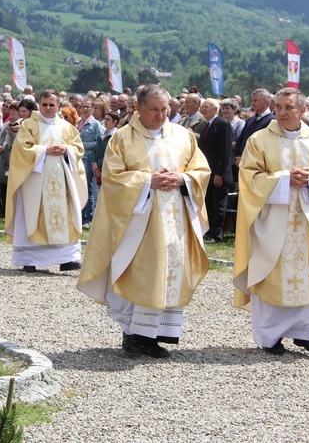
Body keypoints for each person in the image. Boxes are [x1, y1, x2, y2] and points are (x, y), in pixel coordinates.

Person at [77, 85, 211, 358]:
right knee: (141, 274)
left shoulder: (183, 136)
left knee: (168, 272)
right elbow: (113, 177)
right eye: (154, 109)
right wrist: (147, 181)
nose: (161, 115)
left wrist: (183, 179)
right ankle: (134, 335)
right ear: (139, 108)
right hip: (139, 223)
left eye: (165, 110)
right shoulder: (123, 139)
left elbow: (201, 170)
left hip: (175, 220)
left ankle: (157, 335)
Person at [233, 87, 309, 355]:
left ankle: (308, 333)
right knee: (272, 273)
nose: (282, 113)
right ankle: (271, 337)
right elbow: (249, 177)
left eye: (289, 107)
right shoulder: (259, 140)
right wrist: (284, 179)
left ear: (303, 110)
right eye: (279, 107)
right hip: (273, 222)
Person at [4, 89, 86, 273]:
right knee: (32, 214)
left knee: (64, 215)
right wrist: (44, 151)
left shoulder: (66, 127)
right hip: (35, 181)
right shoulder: (29, 125)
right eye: (44, 104)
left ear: (58, 105)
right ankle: (29, 258)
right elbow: (22, 149)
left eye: (52, 104)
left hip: (61, 181)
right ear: (39, 105)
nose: (48, 108)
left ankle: (67, 258)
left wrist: (66, 150)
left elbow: (78, 148)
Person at [199, 98, 233, 243]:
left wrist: (219, 173)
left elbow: (225, 151)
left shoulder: (223, 125)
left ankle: (216, 234)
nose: (203, 109)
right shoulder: (206, 126)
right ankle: (209, 231)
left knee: (219, 206)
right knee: (209, 204)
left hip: (219, 174)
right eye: (203, 107)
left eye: (206, 107)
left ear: (215, 109)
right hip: (208, 173)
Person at [77, 99, 105, 226]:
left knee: (87, 187)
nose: (85, 109)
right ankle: (81, 214)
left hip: (88, 158)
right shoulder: (79, 122)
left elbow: (98, 142)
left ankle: (88, 216)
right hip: (79, 158)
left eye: (88, 107)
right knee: (80, 187)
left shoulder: (96, 124)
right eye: (83, 107)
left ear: (93, 108)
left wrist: (81, 144)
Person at [234, 88, 275, 163]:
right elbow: (240, 140)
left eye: (255, 101)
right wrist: (238, 156)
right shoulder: (250, 120)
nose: (252, 104)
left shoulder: (272, 121)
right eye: (252, 101)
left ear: (265, 101)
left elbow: (265, 147)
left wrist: (245, 160)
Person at [90, 111, 119, 192]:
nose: (105, 121)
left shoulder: (116, 136)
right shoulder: (102, 135)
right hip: (99, 170)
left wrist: (98, 164)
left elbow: (112, 153)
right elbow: (94, 152)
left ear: (115, 122)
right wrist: (94, 164)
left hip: (109, 169)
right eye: (105, 119)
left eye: (108, 119)